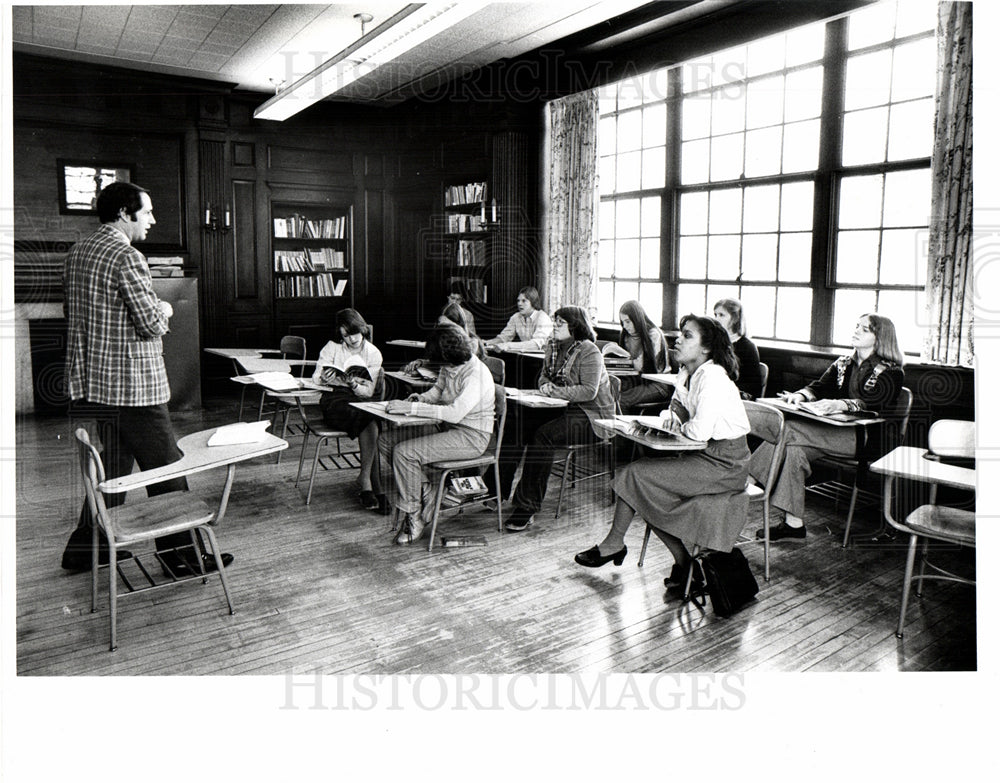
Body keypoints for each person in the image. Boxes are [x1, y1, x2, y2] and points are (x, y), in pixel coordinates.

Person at [60, 182, 232, 576]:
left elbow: (79, 315)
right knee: (167, 467)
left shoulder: (77, 253)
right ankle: (182, 556)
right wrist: (167, 308)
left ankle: (86, 549)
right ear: (125, 213)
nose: (153, 219)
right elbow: (151, 322)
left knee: (115, 469)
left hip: (97, 384)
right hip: (134, 387)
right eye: (148, 211)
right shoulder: (127, 256)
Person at [574, 315, 751, 593]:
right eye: (680, 333)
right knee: (642, 485)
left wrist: (679, 424)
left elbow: (699, 432)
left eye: (688, 336)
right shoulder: (687, 372)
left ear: (706, 348)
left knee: (637, 477)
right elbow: (676, 408)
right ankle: (679, 563)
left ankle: (619, 544)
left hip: (726, 463)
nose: (678, 339)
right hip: (702, 455)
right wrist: (670, 417)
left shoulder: (713, 378)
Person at [749, 313, 904, 540]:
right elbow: (819, 386)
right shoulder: (843, 363)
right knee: (793, 451)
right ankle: (794, 525)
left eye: (865, 329)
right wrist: (801, 395)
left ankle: (744, 481)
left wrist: (839, 403)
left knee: (789, 430)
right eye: (857, 326)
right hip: (832, 434)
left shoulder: (891, 371)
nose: (857, 331)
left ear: (880, 338)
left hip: (865, 439)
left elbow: (877, 403)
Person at [490, 305, 615, 532]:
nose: (554, 326)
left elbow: (589, 391)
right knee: (515, 423)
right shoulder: (552, 345)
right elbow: (543, 376)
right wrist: (545, 386)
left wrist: (553, 391)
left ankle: (527, 506)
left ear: (575, 326)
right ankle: (495, 489)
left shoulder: (590, 351)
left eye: (560, 323)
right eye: (555, 321)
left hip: (592, 416)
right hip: (562, 407)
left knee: (544, 435)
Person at [378, 324, 496, 545]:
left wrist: (412, 410)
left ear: (453, 355)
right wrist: (420, 399)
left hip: (472, 436)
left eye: (444, 364)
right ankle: (428, 492)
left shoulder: (476, 374)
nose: (443, 368)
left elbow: (455, 412)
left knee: (405, 453)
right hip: (446, 427)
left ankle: (414, 516)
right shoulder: (448, 364)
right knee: (386, 441)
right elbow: (438, 391)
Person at [313, 308, 384, 512]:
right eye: (345, 335)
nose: (351, 339)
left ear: (362, 329)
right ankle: (374, 487)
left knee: (370, 418)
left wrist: (353, 384)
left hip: (359, 398)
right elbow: (316, 377)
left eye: (354, 333)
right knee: (369, 420)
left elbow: (368, 392)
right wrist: (323, 378)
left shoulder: (373, 353)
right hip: (334, 400)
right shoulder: (332, 348)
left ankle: (367, 483)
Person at [608, 299, 673, 412]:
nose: (625, 326)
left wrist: (628, 362)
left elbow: (641, 366)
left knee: (621, 400)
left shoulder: (653, 334)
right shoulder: (627, 336)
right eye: (622, 322)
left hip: (658, 385)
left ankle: (624, 429)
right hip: (636, 380)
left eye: (628, 321)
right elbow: (630, 366)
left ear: (637, 319)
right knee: (607, 392)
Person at [713, 298, 762, 400]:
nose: (716, 319)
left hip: (735, 399)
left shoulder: (748, 347)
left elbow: (754, 387)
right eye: (715, 315)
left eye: (721, 315)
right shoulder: (714, 343)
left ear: (735, 319)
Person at [485, 286, 553, 352]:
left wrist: (508, 345)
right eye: (518, 301)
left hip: (543, 358)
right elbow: (504, 337)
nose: (519, 304)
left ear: (533, 302)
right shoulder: (516, 317)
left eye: (524, 301)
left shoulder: (542, 317)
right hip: (526, 356)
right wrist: (487, 342)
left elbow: (536, 344)